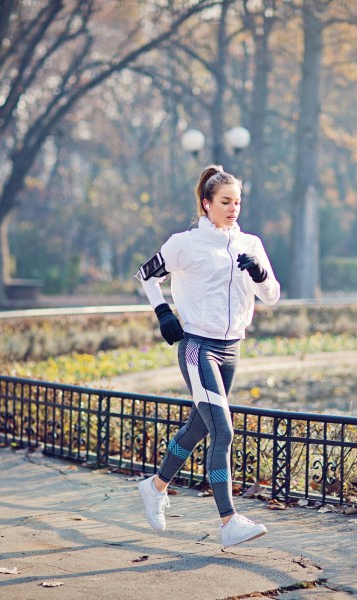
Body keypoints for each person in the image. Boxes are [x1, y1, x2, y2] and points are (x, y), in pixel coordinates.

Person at [135, 164, 281, 548]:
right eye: (225, 201)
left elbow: (273, 296)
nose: (233, 208)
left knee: (201, 426)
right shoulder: (185, 244)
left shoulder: (250, 243)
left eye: (238, 202)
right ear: (206, 204)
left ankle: (156, 485)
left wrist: (260, 273)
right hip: (199, 347)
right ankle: (229, 520)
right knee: (224, 430)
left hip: (232, 348)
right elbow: (146, 275)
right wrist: (163, 312)